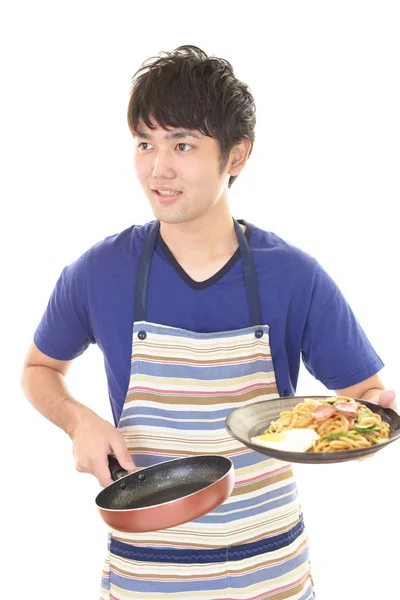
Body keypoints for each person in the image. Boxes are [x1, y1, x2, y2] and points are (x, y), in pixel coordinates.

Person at [21, 45, 396, 600]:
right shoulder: (99, 271)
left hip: (271, 574)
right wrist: (78, 420)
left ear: (237, 156)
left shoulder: (294, 276)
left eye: (183, 144)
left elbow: (361, 397)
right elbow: (38, 366)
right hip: (147, 575)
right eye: (145, 143)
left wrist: (375, 410)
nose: (157, 167)